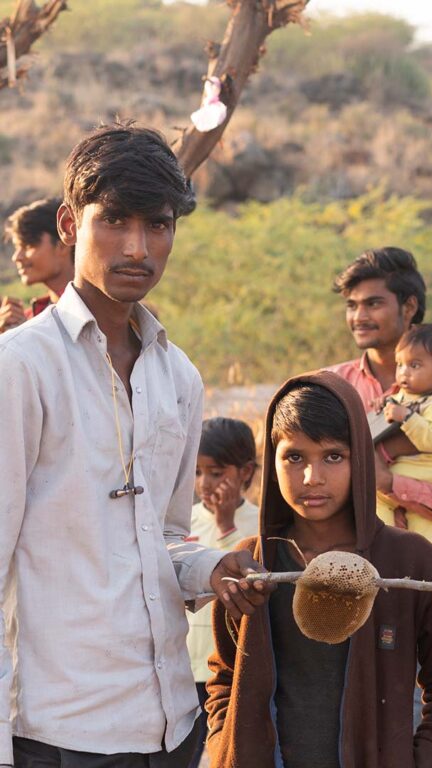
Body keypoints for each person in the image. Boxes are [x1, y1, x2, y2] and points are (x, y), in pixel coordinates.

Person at [0, 122, 261, 768]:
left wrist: (212, 569)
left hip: (169, 725)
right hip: (58, 730)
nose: (138, 248)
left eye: (159, 225)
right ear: (69, 223)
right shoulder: (20, 369)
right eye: (114, 220)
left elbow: (165, 534)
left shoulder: (180, 377)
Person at [205, 371, 432, 768]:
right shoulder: (252, 564)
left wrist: (429, 755)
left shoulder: (409, 563)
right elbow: (224, 676)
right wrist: (224, 744)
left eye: (333, 456)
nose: (312, 478)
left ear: (361, 460)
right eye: (294, 457)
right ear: (272, 461)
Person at [329, 247, 432, 543]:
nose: (359, 316)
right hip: (348, 562)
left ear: (408, 307)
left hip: (428, 569)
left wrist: (390, 483)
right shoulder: (331, 387)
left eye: (373, 304)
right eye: (352, 305)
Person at [186, 417, 261, 768]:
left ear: (246, 471)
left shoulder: (259, 525)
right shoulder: (181, 522)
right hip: (184, 666)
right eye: (198, 472)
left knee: (224, 752)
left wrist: (226, 527)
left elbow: (242, 583)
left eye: (216, 473)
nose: (204, 483)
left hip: (227, 667)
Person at [376, 323, 432, 550]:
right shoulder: (407, 393)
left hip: (428, 478)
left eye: (414, 365)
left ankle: (427, 566)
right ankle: (383, 546)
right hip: (407, 476)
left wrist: (406, 418)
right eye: (400, 364)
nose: (403, 372)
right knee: (378, 507)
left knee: (423, 534)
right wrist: (383, 406)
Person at [0, 197, 75, 333]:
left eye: (28, 246)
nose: (16, 257)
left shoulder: (98, 310)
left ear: (62, 245)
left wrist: (28, 337)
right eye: (17, 247)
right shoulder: (29, 317)